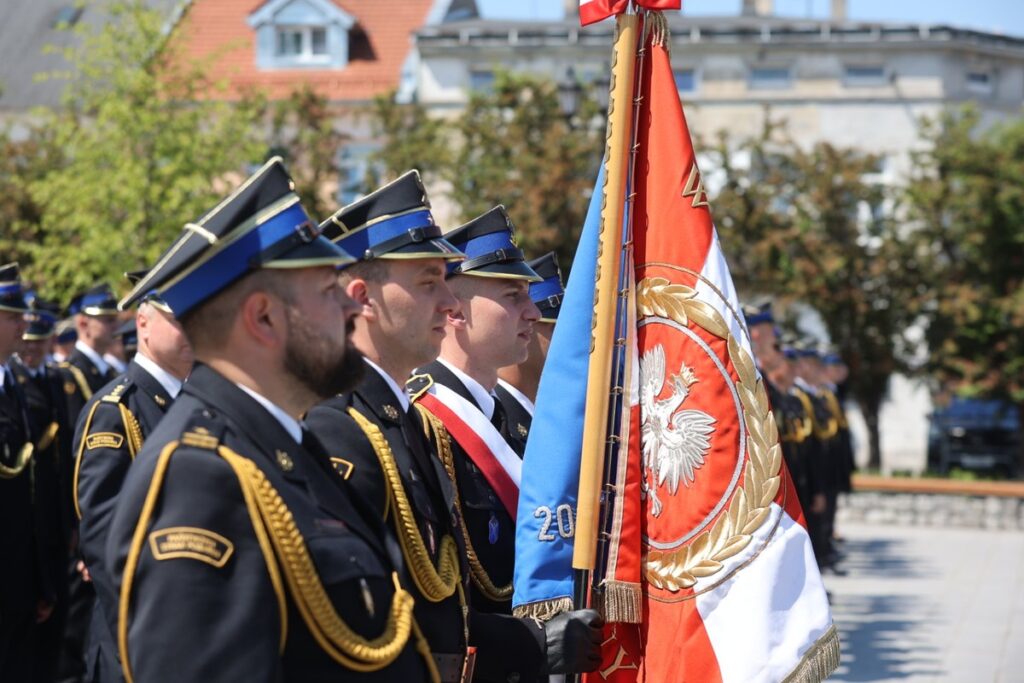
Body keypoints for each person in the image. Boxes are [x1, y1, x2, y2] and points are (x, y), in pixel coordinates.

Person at [105, 157, 433, 682]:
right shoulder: (200, 477)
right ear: (262, 317)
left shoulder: (289, 451)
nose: (351, 310)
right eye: (329, 292)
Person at [307, 173, 601, 683]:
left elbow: (445, 603)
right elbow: (369, 623)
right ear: (363, 298)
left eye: (447, 281)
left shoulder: (403, 424)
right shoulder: (339, 430)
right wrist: (529, 645)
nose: (448, 303)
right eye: (428, 282)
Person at [414, 207, 543, 616]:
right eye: (512, 295)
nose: (533, 312)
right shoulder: (425, 421)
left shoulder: (499, 419)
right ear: (454, 310)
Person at [73, 273, 193, 683]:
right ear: (142, 322)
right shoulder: (117, 411)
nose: (191, 330)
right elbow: (104, 540)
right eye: (179, 319)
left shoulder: (194, 403)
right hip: (139, 637)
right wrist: (152, 630)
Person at [10, 300, 76, 683]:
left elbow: (63, 461)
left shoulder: (55, 381)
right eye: (27, 339)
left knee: (54, 623)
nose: (31, 347)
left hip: (52, 520)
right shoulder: (15, 382)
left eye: (39, 340)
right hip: (24, 528)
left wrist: (71, 519)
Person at [0, 262, 50, 680]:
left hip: (17, 584)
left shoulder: (12, 383)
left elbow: (28, 491)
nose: (24, 324)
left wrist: (39, 576)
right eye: (12, 316)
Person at [495, 251, 565, 438]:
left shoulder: (544, 415)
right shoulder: (498, 418)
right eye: (555, 329)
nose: (567, 340)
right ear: (526, 330)